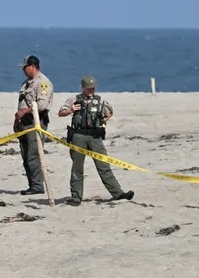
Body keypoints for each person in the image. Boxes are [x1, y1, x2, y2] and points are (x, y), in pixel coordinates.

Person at [57, 75, 135, 206]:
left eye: (93, 88)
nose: (91, 91)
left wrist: (104, 118)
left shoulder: (100, 101)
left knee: (104, 165)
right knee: (77, 168)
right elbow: (60, 112)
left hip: (95, 137)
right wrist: (71, 110)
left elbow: (110, 112)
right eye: (88, 89)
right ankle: (76, 197)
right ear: (82, 87)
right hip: (78, 136)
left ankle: (118, 193)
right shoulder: (74, 99)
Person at [13, 55, 54, 195]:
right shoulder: (26, 83)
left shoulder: (43, 83)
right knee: (25, 155)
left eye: (25, 67)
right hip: (24, 124)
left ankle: (37, 186)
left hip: (35, 122)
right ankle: (32, 185)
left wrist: (25, 111)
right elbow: (21, 103)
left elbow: (41, 105)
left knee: (33, 155)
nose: (23, 70)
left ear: (32, 66)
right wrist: (17, 121)